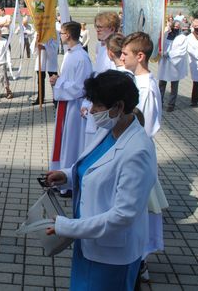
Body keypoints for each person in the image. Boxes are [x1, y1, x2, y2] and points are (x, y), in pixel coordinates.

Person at [44, 70, 157, 291]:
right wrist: (67, 175)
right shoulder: (110, 129)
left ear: (119, 106)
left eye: (98, 105)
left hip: (112, 255)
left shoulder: (137, 151)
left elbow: (123, 215)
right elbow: (92, 165)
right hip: (89, 241)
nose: (93, 111)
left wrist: (67, 227)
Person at [121, 32, 166, 280]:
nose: (121, 57)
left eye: (125, 54)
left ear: (140, 56)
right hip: (134, 152)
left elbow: (142, 127)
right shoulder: (137, 81)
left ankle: (139, 261)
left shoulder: (146, 88)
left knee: (139, 209)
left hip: (138, 156)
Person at [48, 22, 93, 176]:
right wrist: (59, 79)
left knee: (72, 143)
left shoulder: (82, 57)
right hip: (66, 104)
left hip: (75, 106)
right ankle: (62, 174)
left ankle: (69, 179)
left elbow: (81, 86)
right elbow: (70, 79)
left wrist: (58, 82)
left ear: (67, 35)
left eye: (61, 33)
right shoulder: (69, 54)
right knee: (64, 141)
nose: (60, 36)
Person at [158, 20, 188, 112]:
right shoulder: (166, 35)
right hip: (164, 62)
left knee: (174, 85)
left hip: (174, 64)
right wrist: (161, 52)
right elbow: (160, 44)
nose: (176, 27)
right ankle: (159, 102)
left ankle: (171, 104)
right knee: (162, 84)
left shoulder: (182, 38)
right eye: (175, 26)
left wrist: (169, 54)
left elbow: (182, 51)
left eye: (178, 26)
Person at [30, 29, 59, 105]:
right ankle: (40, 98)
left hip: (51, 59)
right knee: (40, 79)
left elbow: (55, 46)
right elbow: (33, 46)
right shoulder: (38, 31)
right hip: (41, 58)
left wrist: (45, 46)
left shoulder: (54, 31)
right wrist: (36, 41)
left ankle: (56, 97)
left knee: (53, 78)